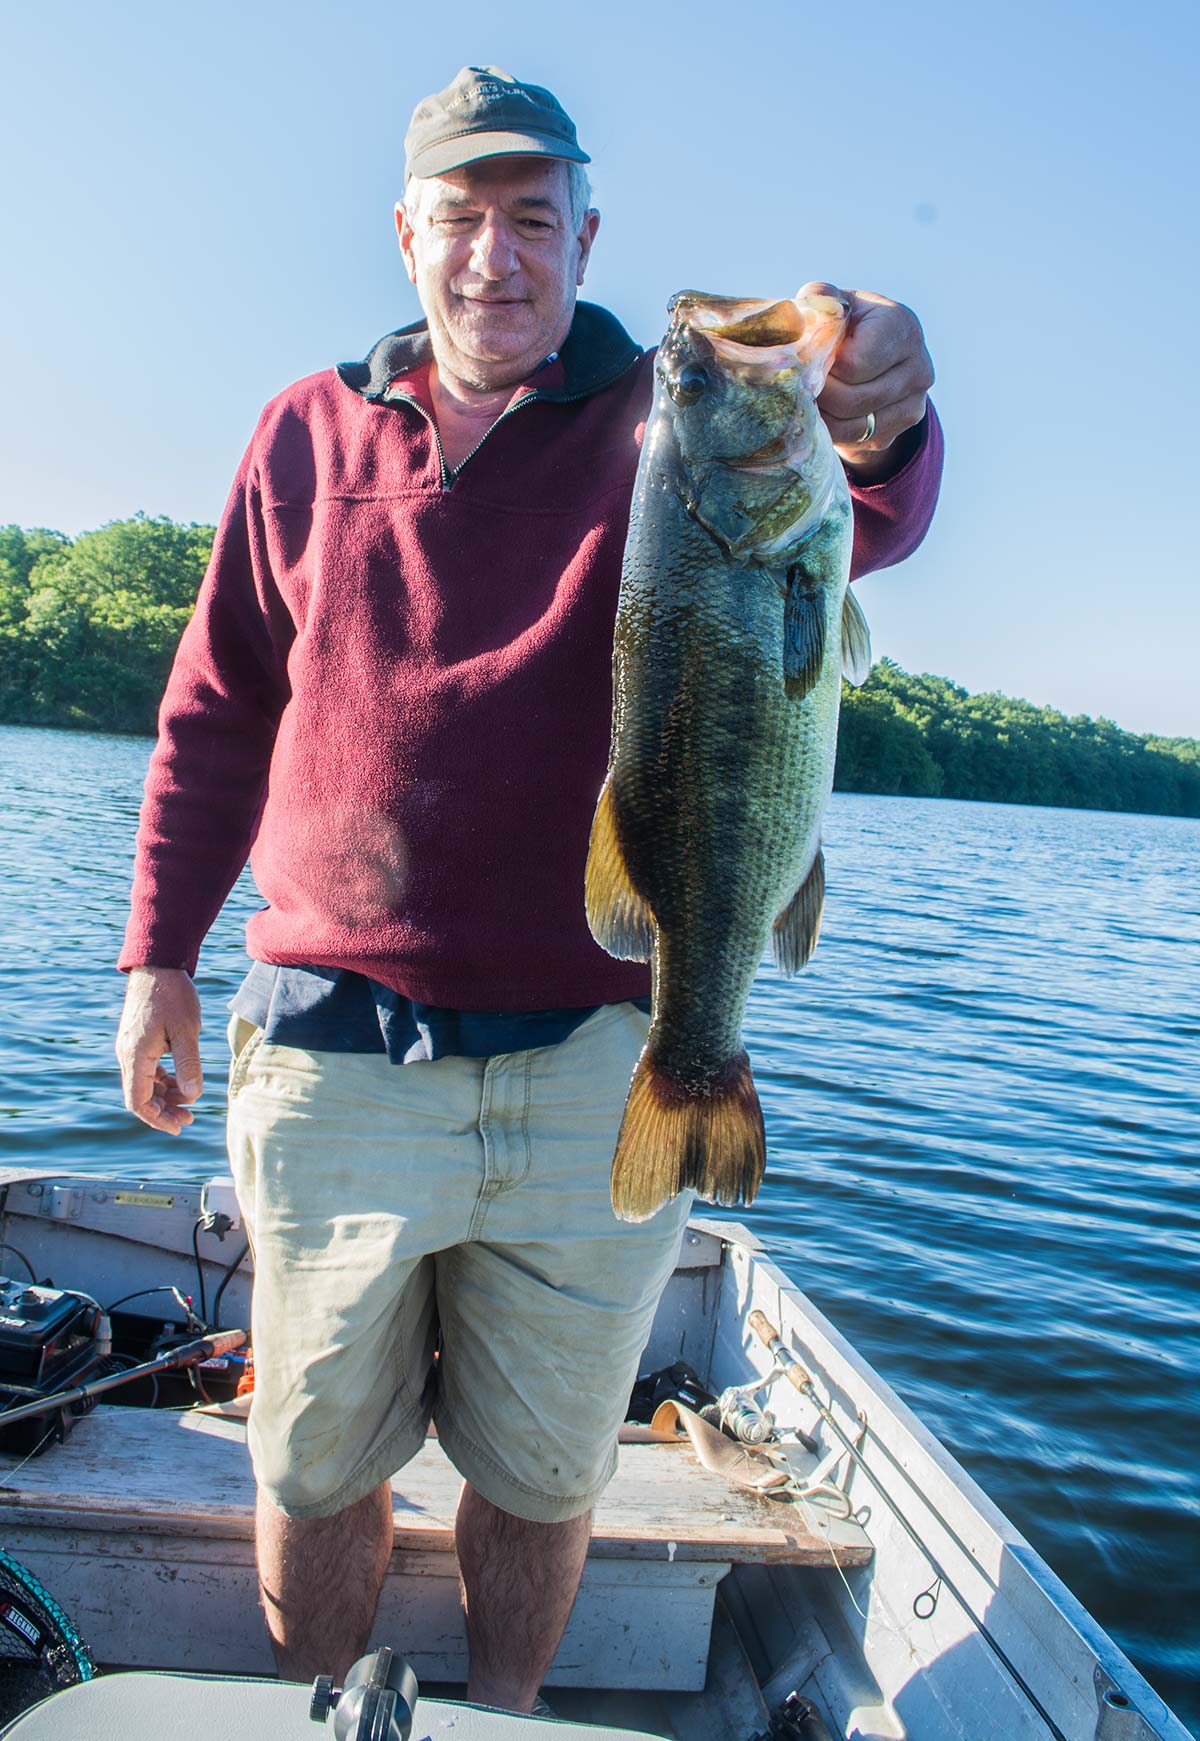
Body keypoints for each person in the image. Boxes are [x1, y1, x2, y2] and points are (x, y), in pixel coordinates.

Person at [115, 65, 942, 1714]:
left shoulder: (661, 421)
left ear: (585, 236)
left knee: (550, 1469)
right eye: (462, 217)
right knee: (312, 1459)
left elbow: (865, 509)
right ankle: (323, 1712)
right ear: (405, 234)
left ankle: (502, 1721)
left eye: (533, 218)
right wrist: (158, 957)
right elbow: (214, 710)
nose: (496, 254)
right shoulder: (305, 434)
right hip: (331, 1044)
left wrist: (883, 406)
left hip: (592, 1061)